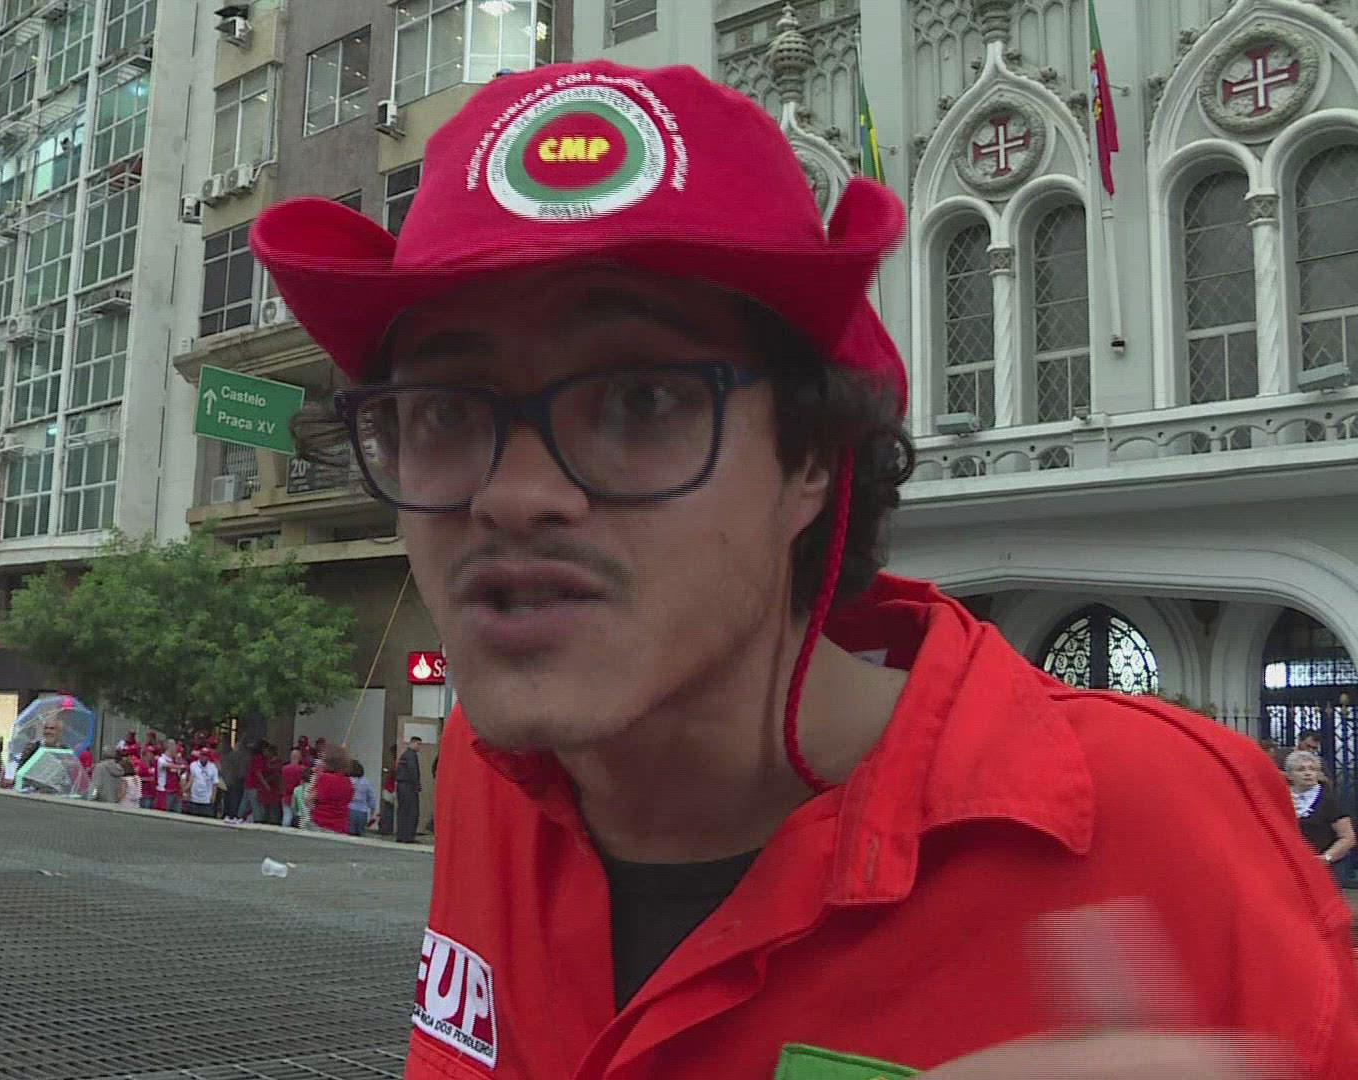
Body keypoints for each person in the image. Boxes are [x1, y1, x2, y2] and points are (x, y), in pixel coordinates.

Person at [251, 58, 1358, 1076]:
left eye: (641, 398)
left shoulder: (1159, 826)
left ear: (814, 461)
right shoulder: (490, 773)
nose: (512, 494)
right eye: (445, 409)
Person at [1289, 750, 1354, 876]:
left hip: (1323, 867)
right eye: (1301, 770)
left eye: (1312, 769)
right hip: (1291, 865)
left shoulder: (1329, 800)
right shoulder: (1281, 798)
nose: (1308, 773)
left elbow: (1347, 837)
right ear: (1290, 775)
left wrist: (1326, 858)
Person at [308, 746, 355, 835]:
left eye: (322, 759)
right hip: (341, 826)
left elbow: (309, 799)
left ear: (329, 762)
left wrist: (316, 778)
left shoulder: (325, 778)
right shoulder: (348, 781)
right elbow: (350, 799)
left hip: (321, 823)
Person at [392, 737, 422, 843]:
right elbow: (412, 770)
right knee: (412, 811)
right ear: (412, 743)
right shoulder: (411, 755)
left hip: (401, 785)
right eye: (418, 744)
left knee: (402, 811)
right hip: (409, 786)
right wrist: (417, 785)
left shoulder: (404, 754)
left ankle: (401, 835)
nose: (420, 747)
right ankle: (408, 836)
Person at [186, 748, 221, 817]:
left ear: (208, 757)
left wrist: (213, 797)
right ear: (199, 755)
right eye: (202, 755)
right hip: (194, 799)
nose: (204, 757)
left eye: (206, 755)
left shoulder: (213, 767)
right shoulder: (193, 765)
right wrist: (188, 794)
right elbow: (190, 781)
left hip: (206, 800)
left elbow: (215, 783)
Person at [347, 760, 376, 837]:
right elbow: (372, 799)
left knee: (348, 835)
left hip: (349, 809)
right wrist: (372, 812)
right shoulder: (366, 782)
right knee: (360, 836)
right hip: (362, 811)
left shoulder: (348, 781)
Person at [280, 748, 307, 827]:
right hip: (298, 797)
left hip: (286, 796)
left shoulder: (284, 768)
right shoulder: (302, 769)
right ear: (300, 757)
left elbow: (281, 783)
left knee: (287, 816)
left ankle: (284, 831)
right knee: (300, 818)